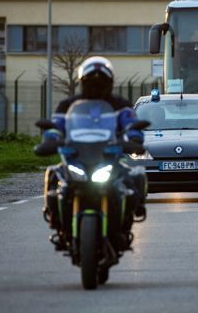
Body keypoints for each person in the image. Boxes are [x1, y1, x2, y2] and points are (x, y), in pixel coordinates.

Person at [41, 56, 146, 248]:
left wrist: (134, 139)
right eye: (91, 82)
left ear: (109, 83)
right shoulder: (67, 106)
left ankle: (125, 226)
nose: (96, 86)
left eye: (101, 82)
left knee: (132, 183)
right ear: (83, 83)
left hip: (109, 157)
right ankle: (56, 221)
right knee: (54, 176)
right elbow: (56, 126)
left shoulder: (120, 104)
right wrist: (50, 140)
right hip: (76, 156)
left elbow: (131, 123)